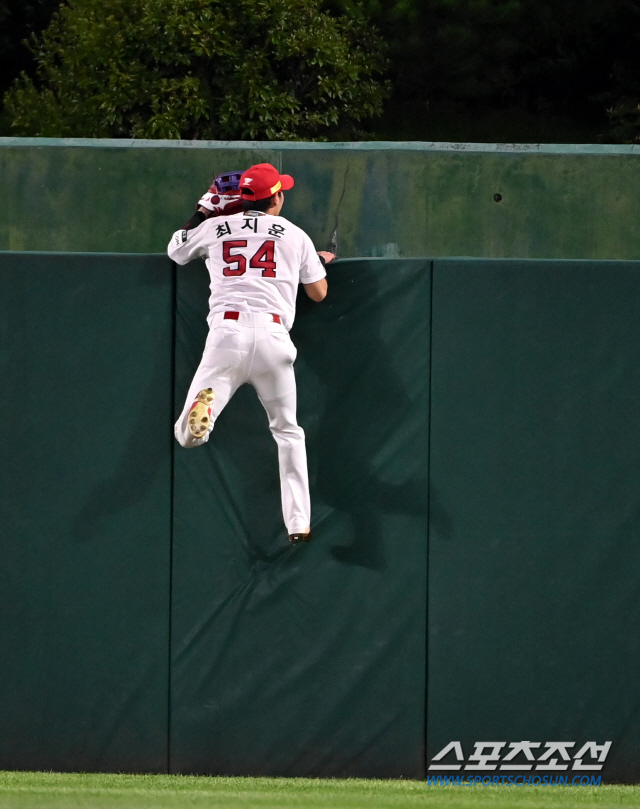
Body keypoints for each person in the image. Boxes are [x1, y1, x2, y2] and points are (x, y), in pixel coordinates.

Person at [168, 162, 334, 544]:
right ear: (276, 196)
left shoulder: (214, 228)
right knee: (288, 431)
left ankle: (203, 415)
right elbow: (318, 293)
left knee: (187, 437)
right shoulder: (295, 235)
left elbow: (176, 251)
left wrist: (205, 209)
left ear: (240, 199)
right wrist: (319, 265)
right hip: (275, 338)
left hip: (227, 335)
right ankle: (298, 524)